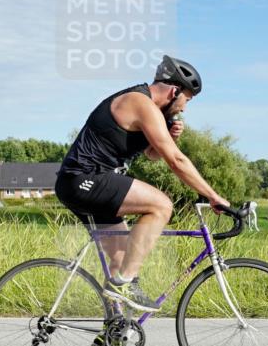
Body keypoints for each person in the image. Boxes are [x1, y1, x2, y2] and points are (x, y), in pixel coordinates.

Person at [55, 55, 230, 312]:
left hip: (86, 182)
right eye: (187, 100)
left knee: (121, 259)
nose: (184, 109)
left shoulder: (152, 111)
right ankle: (124, 284)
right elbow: (176, 161)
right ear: (174, 91)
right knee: (161, 205)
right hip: (84, 179)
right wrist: (213, 196)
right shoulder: (140, 103)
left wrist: (169, 137)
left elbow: (152, 155)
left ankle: (114, 329)